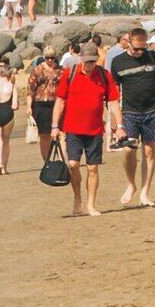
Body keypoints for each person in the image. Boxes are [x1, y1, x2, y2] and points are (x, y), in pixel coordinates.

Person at [105, 26, 155, 210]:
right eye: (136, 49)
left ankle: (145, 192)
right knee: (128, 150)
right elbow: (114, 95)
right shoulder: (118, 62)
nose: (140, 52)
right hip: (130, 112)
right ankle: (131, 184)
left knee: (149, 152)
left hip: (153, 110)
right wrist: (117, 122)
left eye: (143, 49)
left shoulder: (153, 56)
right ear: (128, 42)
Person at [53, 47, 112, 220]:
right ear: (81, 59)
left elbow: (113, 101)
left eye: (93, 61)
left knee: (93, 168)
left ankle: (91, 204)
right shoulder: (69, 74)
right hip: (72, 128)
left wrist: (119, 124)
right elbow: (60, 101)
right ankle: (77, 197)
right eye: (87, 61)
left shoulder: (103, 75)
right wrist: (55, 126)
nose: (90, 64)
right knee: (73, 164)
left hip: (95, 130)